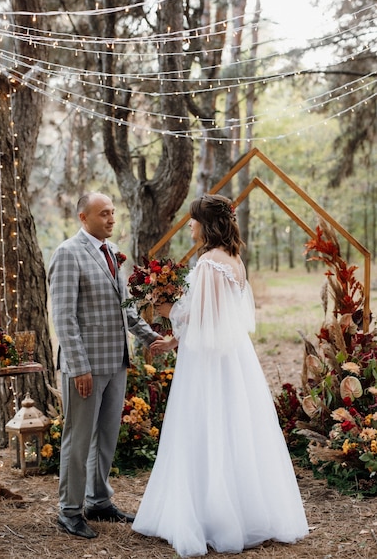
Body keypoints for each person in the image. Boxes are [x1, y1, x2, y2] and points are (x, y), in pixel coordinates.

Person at [132, 194, 309, 557]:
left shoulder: (210, 262)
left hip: (208, 360)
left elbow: (203, 318)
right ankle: (245, 512)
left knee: (207, 426)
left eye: (193, 220)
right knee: (236, 428)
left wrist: (168, 310)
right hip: (234, 355)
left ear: (207, 223)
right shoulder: (235, 260)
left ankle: (212, 517)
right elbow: (220, 316)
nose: (191, 225)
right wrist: (174, 335)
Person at [48, 192, 161, 539]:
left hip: (117, 362)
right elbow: (64, 318)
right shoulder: (68, 254)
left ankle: (98, 500)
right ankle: (69, 511)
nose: (111, 219)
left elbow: (125, 309)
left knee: (107, 438)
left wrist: (150, 338)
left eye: (113, 212)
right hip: (85, 367)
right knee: (79, 439)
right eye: (103, 214)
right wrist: (79, 367)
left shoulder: (112, 253)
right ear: (83, 217)